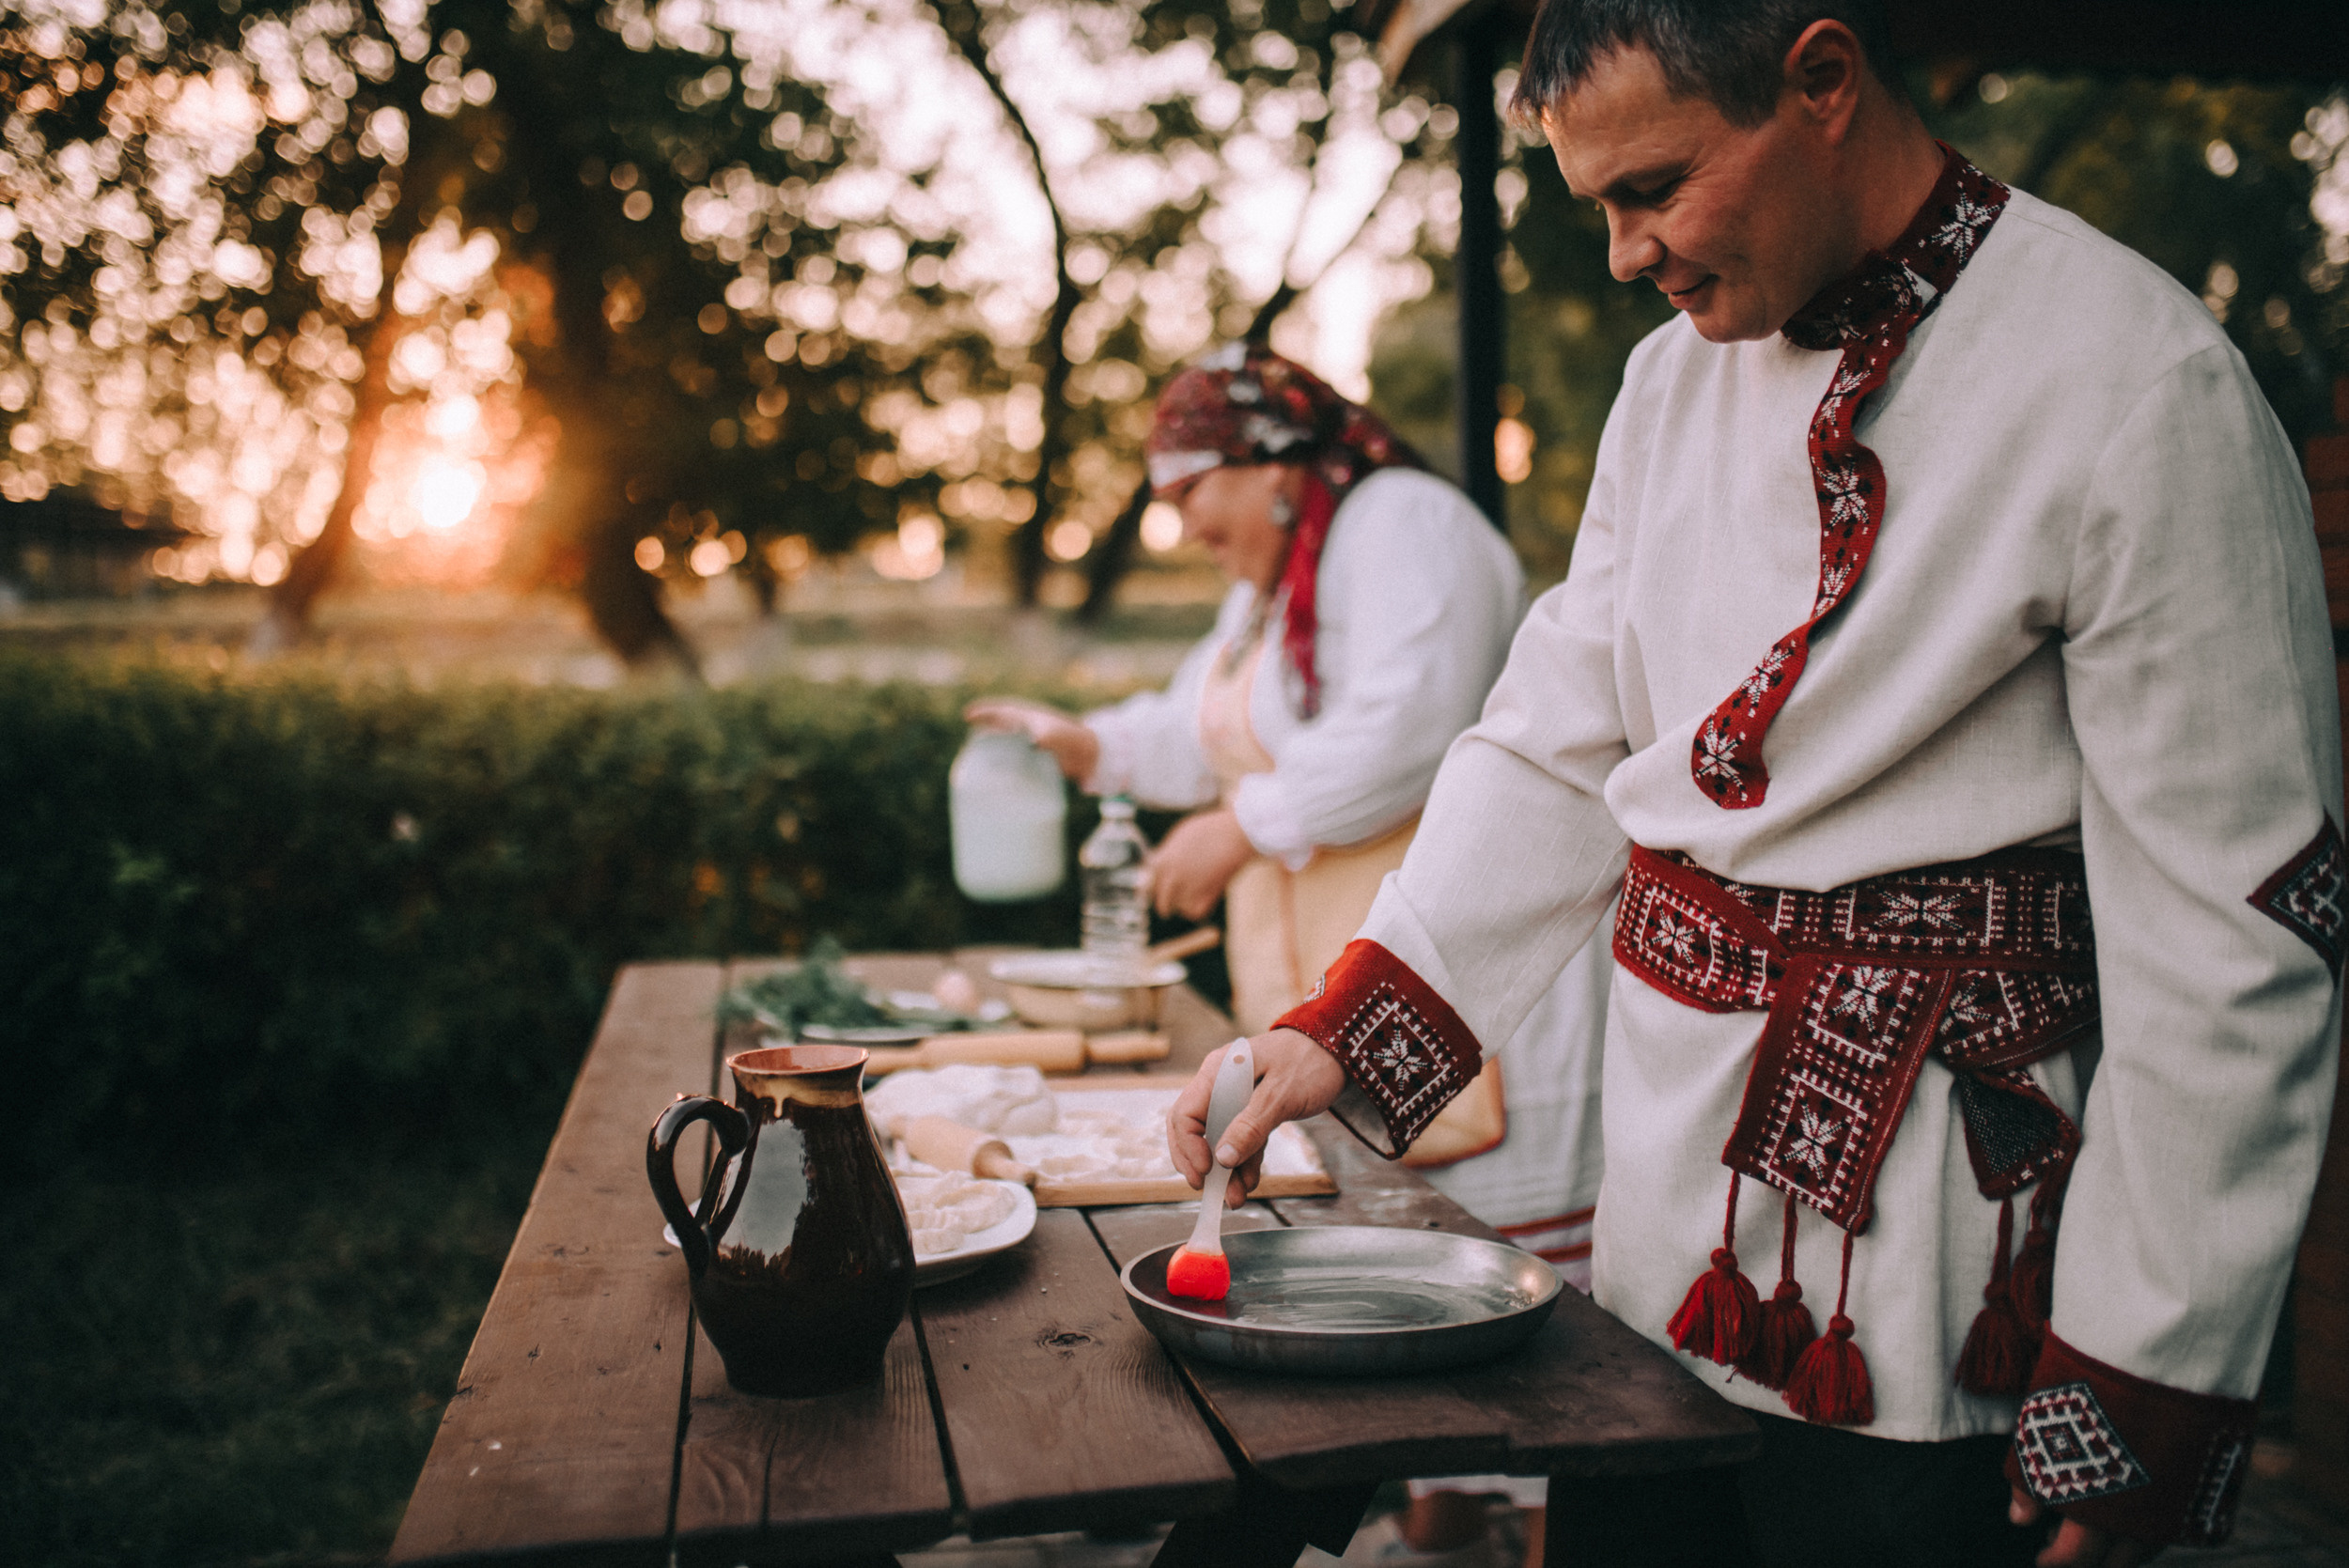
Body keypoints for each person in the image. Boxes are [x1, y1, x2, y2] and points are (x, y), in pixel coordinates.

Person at [1167, 6, 2341, 1567]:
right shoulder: (1665, 389)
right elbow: (1558, 737)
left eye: (1652, 186)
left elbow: (2231, 927)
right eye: (1595, 204)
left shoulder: (2139, 383)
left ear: (1824, 81)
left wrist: (2145, 1366)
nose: (1622, 251)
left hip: (1935, 1287)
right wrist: (1354, 1022)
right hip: (1656, 1257)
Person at [970, 347, 1609, 1566]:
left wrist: (1240, 828)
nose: (1180, 522)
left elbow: (1408, 731)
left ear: (1269, 465)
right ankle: (1446, 1500)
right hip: (1330, 986)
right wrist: (1085, 744)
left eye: (1188, 488)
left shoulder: (1404, 525)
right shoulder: (1274, 583)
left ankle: (1499, 1510)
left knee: (1491, 1288)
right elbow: (1205, 728)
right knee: (1394, 1265)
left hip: (1455, 988)